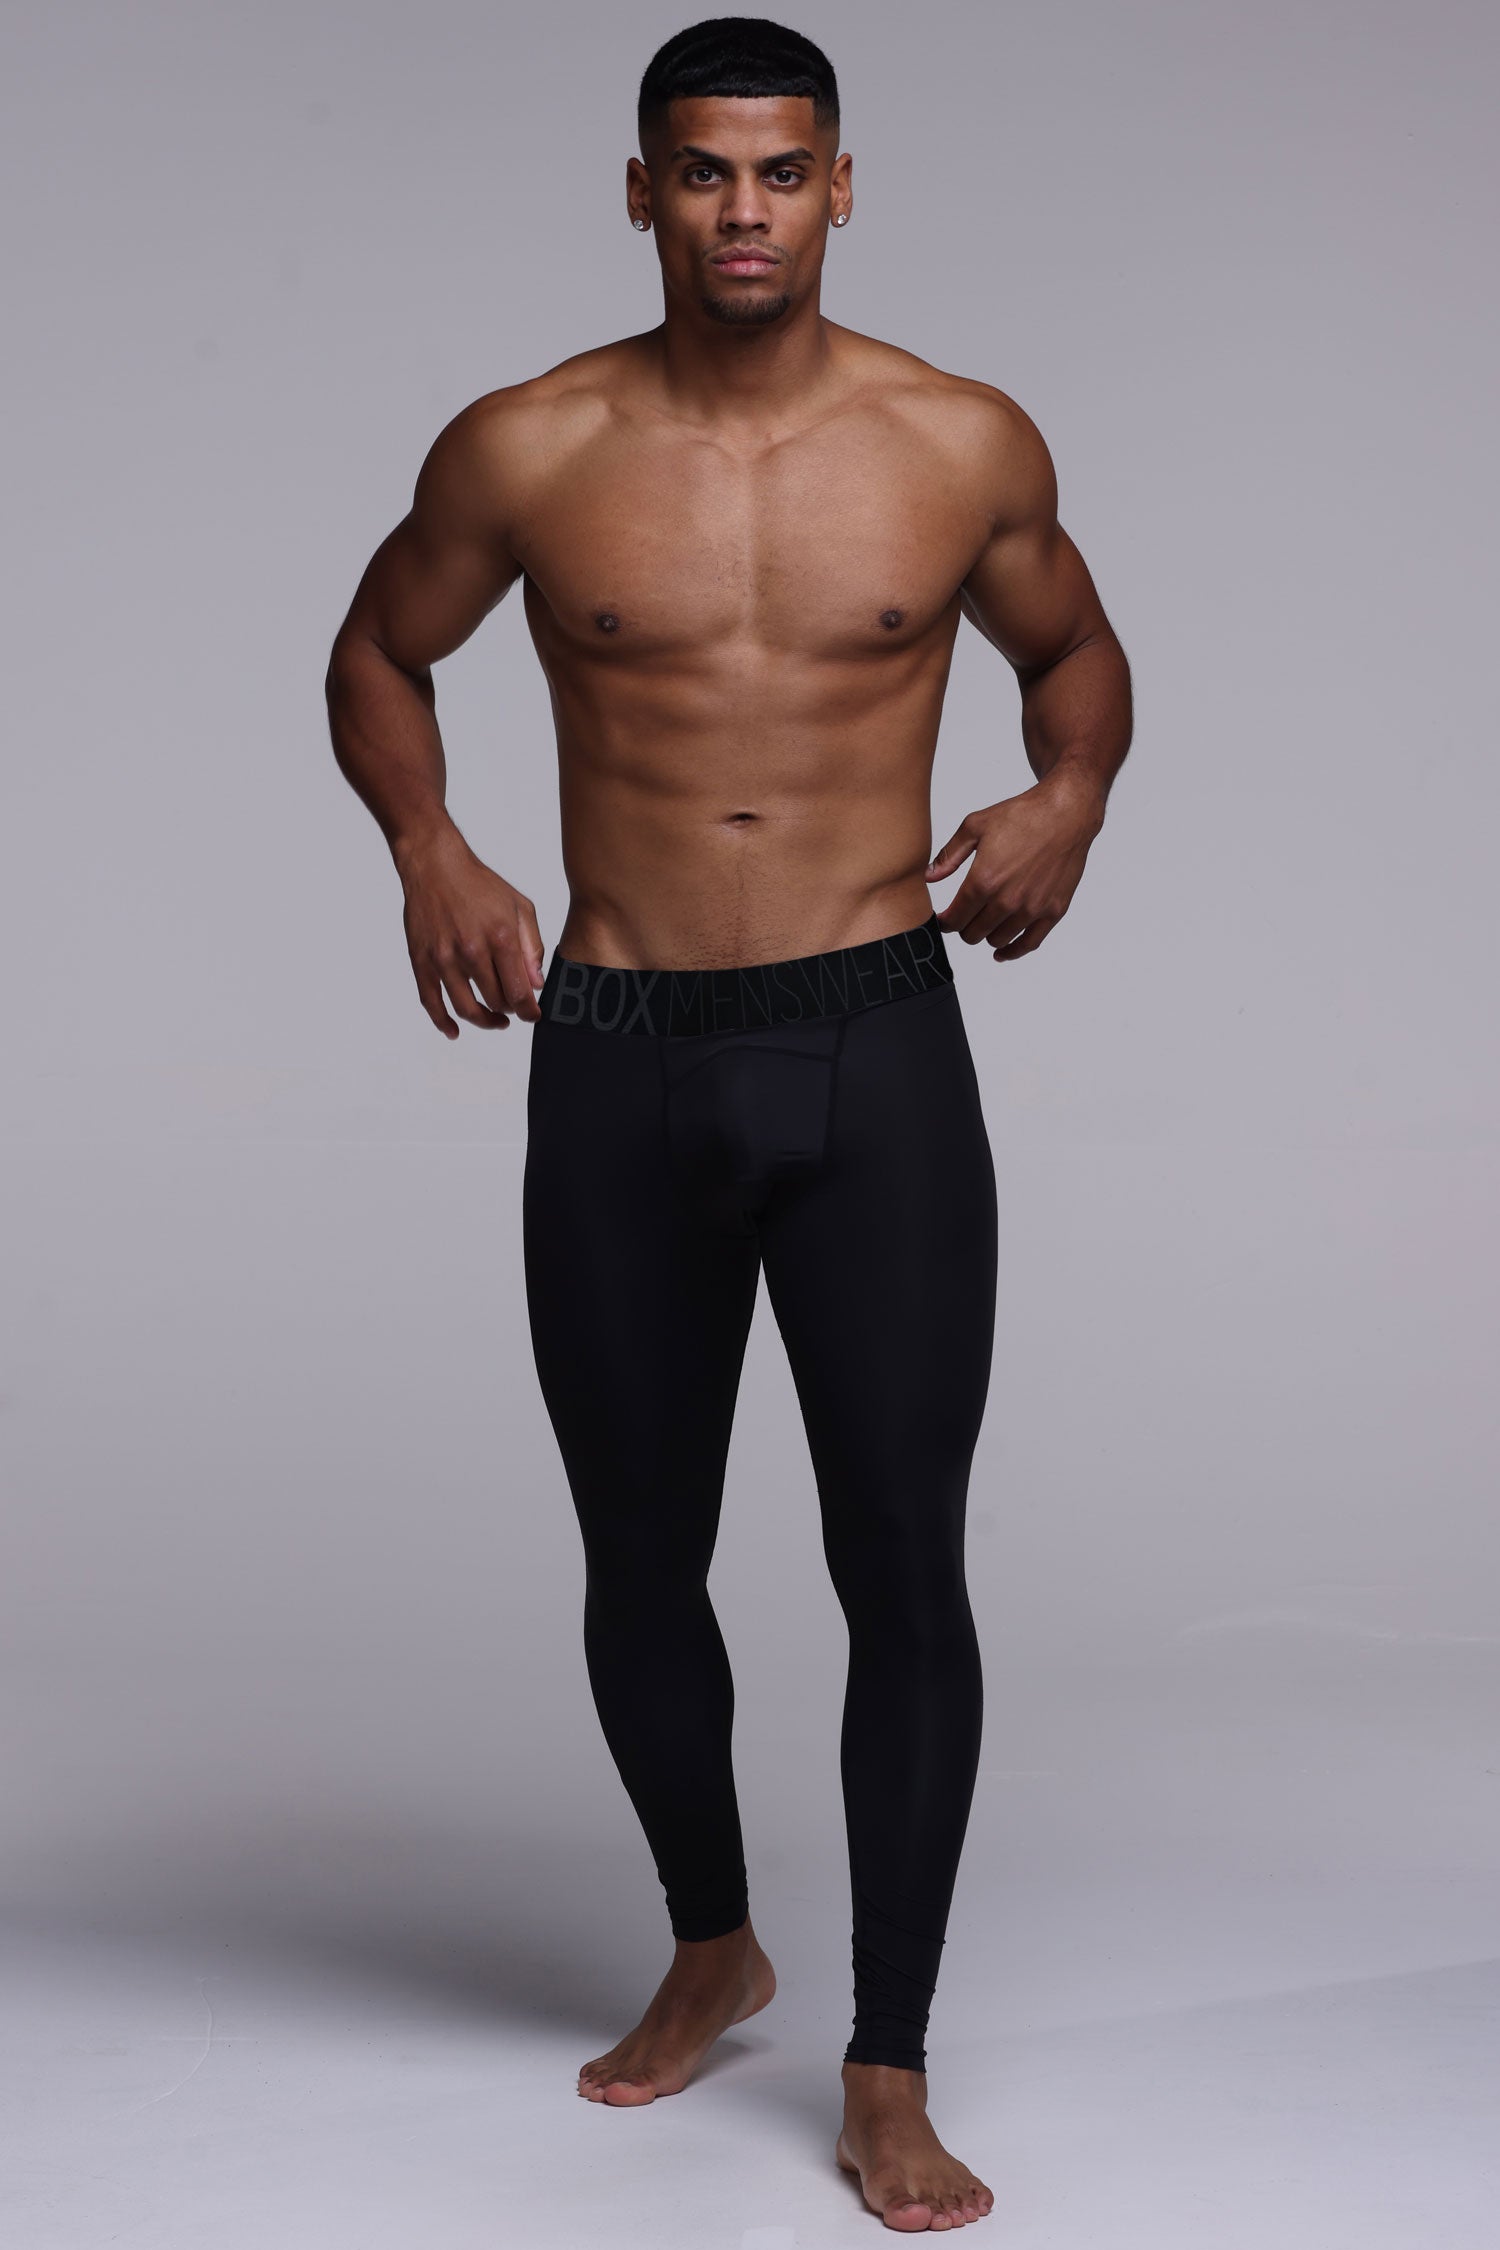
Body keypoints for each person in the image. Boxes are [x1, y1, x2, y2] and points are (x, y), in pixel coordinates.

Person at [324, 14, 1131, 2233]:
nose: (743, 210)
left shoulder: (957, 439)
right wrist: (431, 850)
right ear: (642, 191)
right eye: (702, 171)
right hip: (619, 1041)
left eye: (782, 171)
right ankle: (712, 1939)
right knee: (637, 1556)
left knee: (903, 1566)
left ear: (840, 186)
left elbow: (1075, 653)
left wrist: (1068, 794)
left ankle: (888, 2059)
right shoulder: (532, 443)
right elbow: (377, 650)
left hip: (874, 1041)